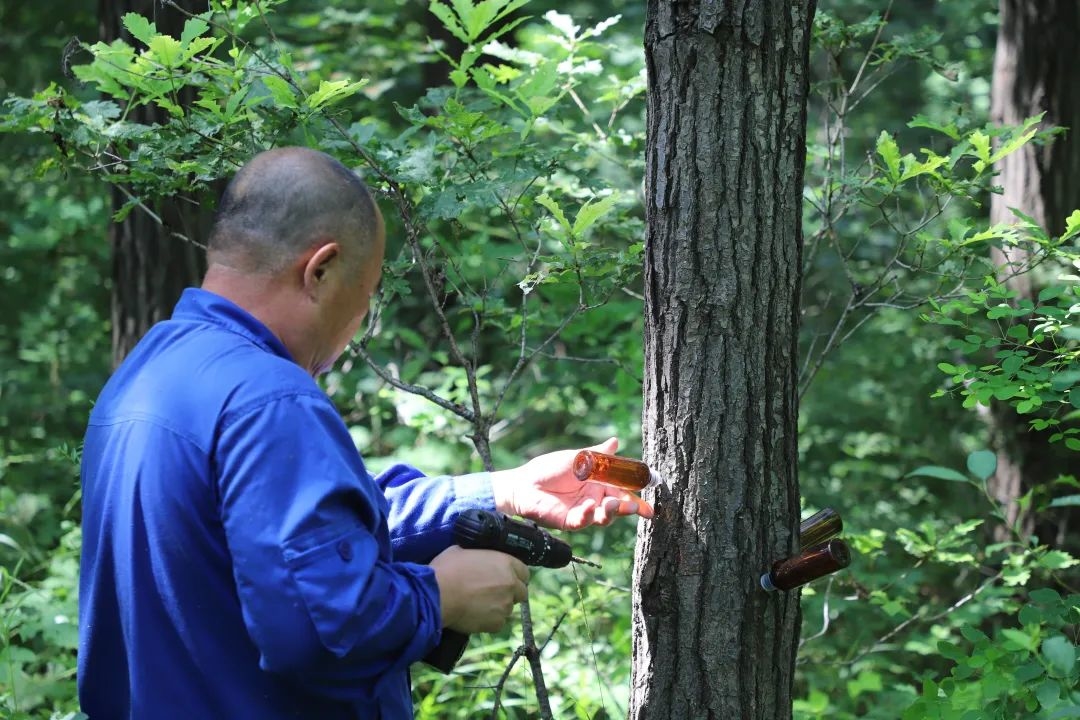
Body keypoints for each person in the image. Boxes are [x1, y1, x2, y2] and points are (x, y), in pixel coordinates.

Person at [77, 147, 653, 720]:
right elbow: (314, 628)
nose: (360, 319)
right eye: (368, 290)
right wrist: (439, 597)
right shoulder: (269, 400)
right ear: (321, 270)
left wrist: (504, 489)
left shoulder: (146, 374)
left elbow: (313, 538)